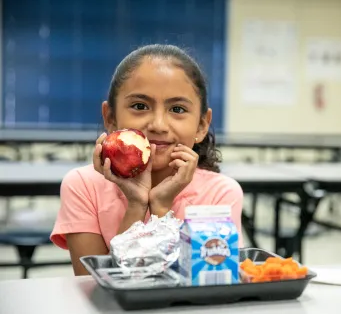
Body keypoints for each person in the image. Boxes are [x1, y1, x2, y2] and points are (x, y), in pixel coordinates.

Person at [50, 44, 244, 276]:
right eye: (140, 106)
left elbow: (194, 284)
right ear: (110, 118)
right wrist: (136, 205)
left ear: (201, 125)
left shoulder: (220, 194)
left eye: (178, 109)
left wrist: (161, 207)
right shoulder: (83, 186)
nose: (158, 125)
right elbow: (94, 284)